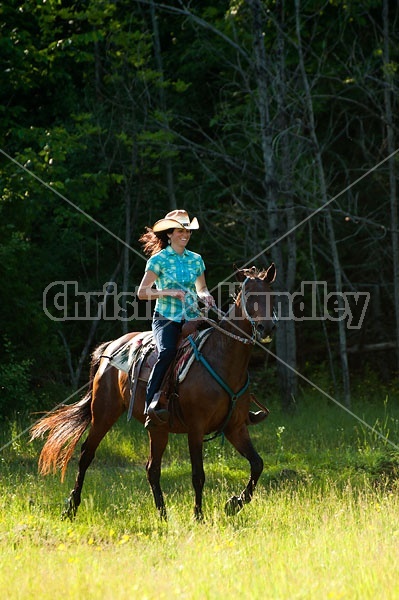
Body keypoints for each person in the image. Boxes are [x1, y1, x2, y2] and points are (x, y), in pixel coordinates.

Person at [137, 209, 216, 428]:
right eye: (181, 231)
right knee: (167, 352)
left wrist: (206, 296)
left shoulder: (196, 259)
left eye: (188, 231)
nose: (185, 234)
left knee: (219, 346)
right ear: (170, 234)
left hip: (193, 317)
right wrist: (168, 292)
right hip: (166, 318)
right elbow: (142, 293)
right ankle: (150, 405)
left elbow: (201, 288)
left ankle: (229, 404)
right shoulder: (158, 260)